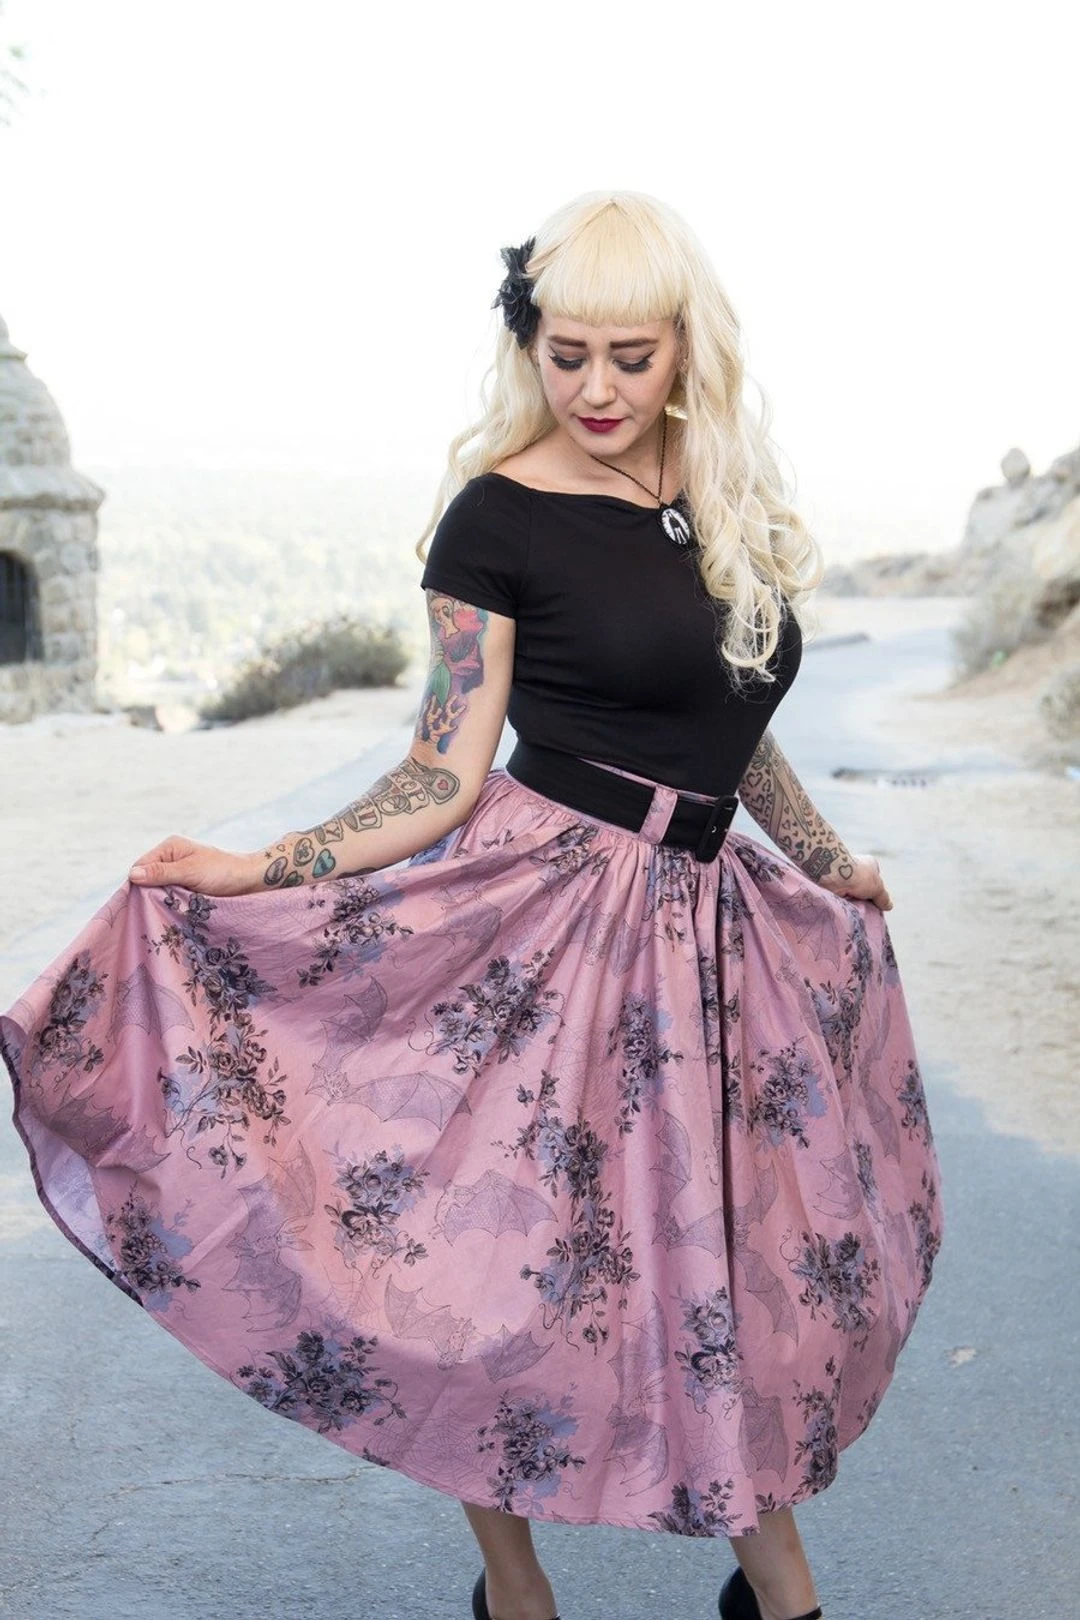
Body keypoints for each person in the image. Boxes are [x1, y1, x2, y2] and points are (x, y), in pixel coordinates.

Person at [0, 191, 942, 1620]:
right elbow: (443, 770)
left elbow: (731, 717)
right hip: (551, 926)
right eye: (567, 354)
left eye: (631, 356)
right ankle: (518, 1587)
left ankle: (772, 1588)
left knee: (733, 1273)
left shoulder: (717, 490)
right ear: (530, 344)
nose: (598, 387)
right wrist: (259, 869)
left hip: (713, 938)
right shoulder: (494, 516)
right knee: (484, 1275)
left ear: (686, 345)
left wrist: (820, 858)